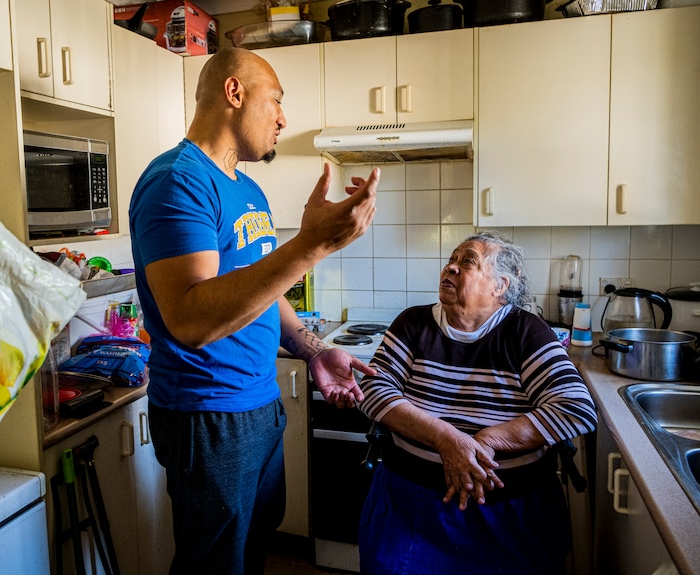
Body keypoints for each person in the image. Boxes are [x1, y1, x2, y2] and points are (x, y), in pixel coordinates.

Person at [128, 47, 380, 575]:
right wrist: (311, 246)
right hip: (208, 412)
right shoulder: (177, 181)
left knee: (251, 549)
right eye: (277, 101)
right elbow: (191, 318)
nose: (284, 118)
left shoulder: (249, 190)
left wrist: (312, 349)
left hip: (259, 405)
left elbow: (267, 292)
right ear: (234, 93)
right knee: (215, 564)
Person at [357, 231, 598, 575]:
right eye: (451, 260)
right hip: (409, 505)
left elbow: (575, 408)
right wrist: (446, 439)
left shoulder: (525, 332)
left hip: (508, 512)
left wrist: (477, 445)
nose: (450, 268)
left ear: (500, 285)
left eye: (467, 261)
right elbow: (374, 391)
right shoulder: (413, 324)